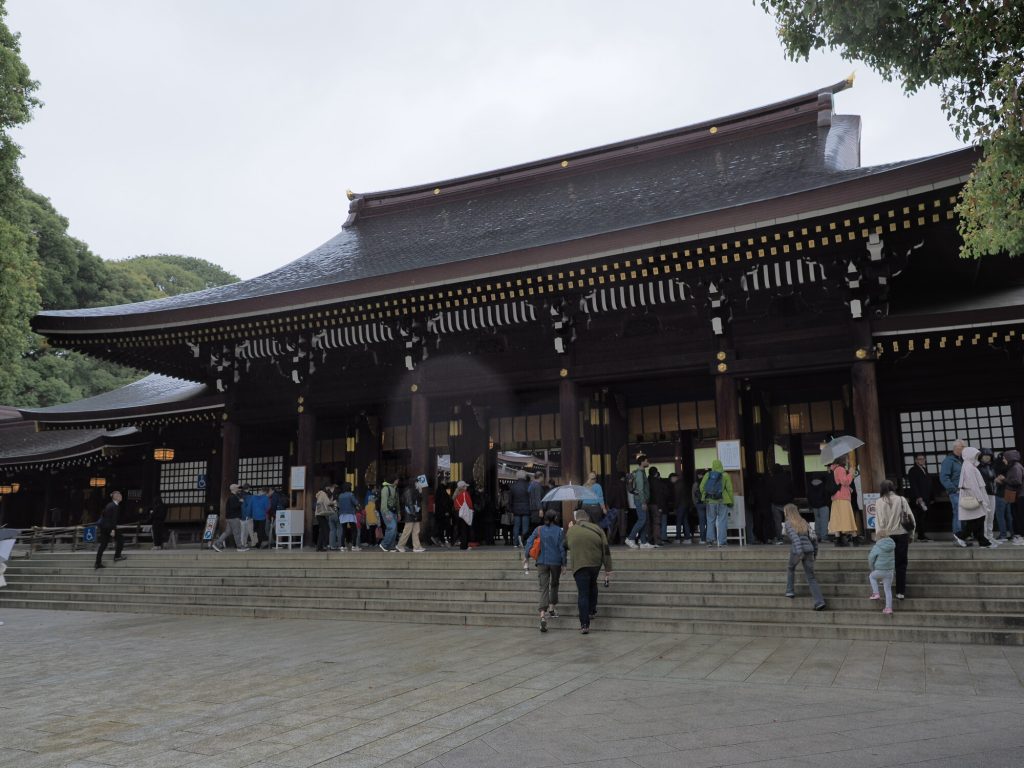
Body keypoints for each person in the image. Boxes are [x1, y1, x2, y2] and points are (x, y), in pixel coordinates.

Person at [565, 508, 613, 634]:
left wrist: (570, 529)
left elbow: (565, 545)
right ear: (587, 518)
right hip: (595, 564)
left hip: (579, 565)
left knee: (583, 594)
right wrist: (608, 568)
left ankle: (584, 624)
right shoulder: (597, 529)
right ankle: (592, 610)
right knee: (593, 584)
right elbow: (606, 549)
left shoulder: (572, 530)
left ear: (576, 519)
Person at [524, 509, 567, 632]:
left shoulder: (539, 529)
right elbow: (562, 548)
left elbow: (529, 542)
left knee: (543, 587)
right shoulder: (559, 531)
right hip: (556, 562)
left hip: (542, 561)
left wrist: (526, 556)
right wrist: (564, 564)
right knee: (554, 584)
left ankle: (542, 615)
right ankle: (552, 608)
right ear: (555, 519)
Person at [873, 480, 915, 601]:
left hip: (886, 535)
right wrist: (911, 535)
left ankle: (886, 586)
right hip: (901, 534)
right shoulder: (901, 499)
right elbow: (910, 517)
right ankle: (900, 591)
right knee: (901, 563)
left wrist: (878, 538)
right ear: (893, 488)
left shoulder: (879, 502)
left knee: (886, 562)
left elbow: (878, 521)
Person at [781, 503, 825, 610]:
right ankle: (819, 601)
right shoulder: (804, 522)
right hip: (809, 550)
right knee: (811, 577)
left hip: (797, 551)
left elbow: (795, 539)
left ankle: (790, 591)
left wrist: (800, 553)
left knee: (791, 568)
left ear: (787, 513)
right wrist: (815, 552)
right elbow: (814, 538)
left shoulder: (788, 523)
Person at [957, 446, 993, 548]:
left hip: (972, 495)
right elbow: (973, 484)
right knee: (977, 518)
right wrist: (980, 498)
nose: (977, 457)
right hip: (972, 495)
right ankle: (963, 535)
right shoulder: (969, 467)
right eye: (975, 455)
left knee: (976, 518)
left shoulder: (969, 465)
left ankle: (981, 540)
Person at [700, 459, 733, 548]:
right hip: (722, 500)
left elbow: (702, 486)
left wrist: (704, 496)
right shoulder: (725, 475)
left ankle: (710, 541)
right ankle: (722, 542)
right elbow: (729, 489)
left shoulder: (708, 475)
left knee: (710, 521)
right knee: (722, 521)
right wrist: (731, 501)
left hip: (710, 501)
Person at [827, 455, 858, 547]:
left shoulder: (834, 469)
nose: (848, 460)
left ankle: (838, 539)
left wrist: (848, 488)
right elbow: (844, 481)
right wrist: (851, 474)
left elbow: (840, 482)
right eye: (847, 459)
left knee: (837, 518)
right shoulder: (840, 469)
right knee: (847, 517)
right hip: (843, 497)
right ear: (843, 460)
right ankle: (855, 537)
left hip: (836, 497)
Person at [940, 439, 965, 546]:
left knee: (965, 514)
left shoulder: (963, 460)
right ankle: (958, 535)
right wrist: (954, 489)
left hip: (965, 492)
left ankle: (964, 535)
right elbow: (944, 477)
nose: (964, 448)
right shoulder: (948, 461)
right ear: (956, 448)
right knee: (958, 513)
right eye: (962, 446)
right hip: (956, 492)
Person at [625, 454, 652, 549]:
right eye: (647, 460)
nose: (648, 462)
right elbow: (640, 489)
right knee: (642, 520)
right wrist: (643, 502)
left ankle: (643, 541)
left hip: (641, 500)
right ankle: (630, 538)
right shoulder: (640, 473)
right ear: (642, 462)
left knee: (644, 520)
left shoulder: (641, 472)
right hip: (640, 500)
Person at [95, 490, 127, 569]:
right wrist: (112, 530)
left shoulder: (109, 505)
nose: (121, 497)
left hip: (104, 527)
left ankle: (97, 563)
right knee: (121, 539)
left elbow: (104, 516)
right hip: (109, 527)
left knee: (103, 545)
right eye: (120, 496)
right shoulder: (114, 506)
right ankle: (117, 556)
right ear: (115, 497)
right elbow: (113, 519)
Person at [212, 483, 246, 552]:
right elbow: (234, 507)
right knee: (237, 532)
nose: (238, 489)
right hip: (234, 518)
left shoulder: (233, 497)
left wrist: (240, 500)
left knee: (227, 532)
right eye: (237, 487)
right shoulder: (233, 497)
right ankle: (239, 547)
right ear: (234, 489)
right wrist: (240, 502)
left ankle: (217, 543)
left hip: (230, 518)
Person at [907, 454, 934, 541]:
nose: (922, 460)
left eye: (923, 459)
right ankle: (921, 536)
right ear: (916, 460)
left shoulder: (924, 469)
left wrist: (932, 497)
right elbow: (913, 485)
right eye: (920, 459)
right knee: (920, 516)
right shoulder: (913, 470)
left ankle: (922, 535)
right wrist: (918, 496)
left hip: (926, 496)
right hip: (919, 498)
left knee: (924, 516)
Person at [999, 450, 1024, 544]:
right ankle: (1019, 535)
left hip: (1019, 495)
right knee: (1016, 515)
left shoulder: (1015, 467)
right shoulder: (1014, 466)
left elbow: (1017, 481)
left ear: (1010, 458)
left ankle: (1021, 536)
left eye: (1004, 458)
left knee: (1019, 516)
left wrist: (1004, 479)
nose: (1003, 460)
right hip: (1017, 495)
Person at [868, 535, 897, 614]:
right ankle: (888, 608)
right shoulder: (892, 545)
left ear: (879, 538)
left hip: (880, 570)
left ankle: (876, 593)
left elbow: (871, 557)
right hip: (889, 571)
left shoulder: (877, 546)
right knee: (888, 590)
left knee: (871, 576)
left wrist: (872, 568)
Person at [396, 479, 425, 552]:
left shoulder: (415, 490)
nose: (419, 484)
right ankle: (400, 545)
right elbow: (409, 504)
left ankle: (417, 547)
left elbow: (419, 501)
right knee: (407, 531)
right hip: (410, 514)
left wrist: (420, 492)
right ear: (414, 483)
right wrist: (414, 514)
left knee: (416, 531)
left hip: (415, 514)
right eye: (418, 482)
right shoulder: (409, 491)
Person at [769, 464, 795, 544]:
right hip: (787, 502)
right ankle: (791, 537)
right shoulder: (787, 478)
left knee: (777, 522)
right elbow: (792, 489)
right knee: (789, 522)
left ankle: (779, 537)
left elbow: (770, 491)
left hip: (775, 503)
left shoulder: (772, 479)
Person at [978, 449, 999, 545]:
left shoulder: (992, 467)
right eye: (984, 455)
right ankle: (985, 537)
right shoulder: (977, 467)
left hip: (992, 493)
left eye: (989, 455)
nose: (987, 457)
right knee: (985, 516)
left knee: (991, 516)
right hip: (983, 493)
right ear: (980, 456)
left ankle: (990, 536)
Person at [806, 472, 830, 543]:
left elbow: (808, 496)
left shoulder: (810, 485)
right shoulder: (823, 485)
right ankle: (824, 537)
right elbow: (826, 495)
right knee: (824, 521)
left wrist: (810, 505)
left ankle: (817, 536)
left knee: (817, 521)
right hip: (823, 505)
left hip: (814, 506)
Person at [336, 482, 361, 552]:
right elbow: (356, 503)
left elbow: (338, 505)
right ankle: (354, 546)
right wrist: (359, 506)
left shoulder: (340, 495)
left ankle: (342, 546)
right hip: (350, 514)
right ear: (349, 487)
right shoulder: (350, 494)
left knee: (344, 530)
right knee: (354, 530)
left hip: (342, 514)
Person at [509, 470, 531, 547]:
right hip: (526, 508)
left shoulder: (513, 486)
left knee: (516, 526)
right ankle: (524, 542)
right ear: (525, 476)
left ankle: (515, 543)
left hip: (516, 509)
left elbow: (510, 500)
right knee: (525, 527)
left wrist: (511, 509)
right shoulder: (528, 485)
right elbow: (530, 498)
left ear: (517, 476)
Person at [649, 466, 670, 546]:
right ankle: (657, 540)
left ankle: (650, 539)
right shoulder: (657, 482)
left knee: (650, 523)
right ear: (656, 473)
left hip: (649, 504)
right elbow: (659, 495)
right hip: (657, 505)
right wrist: (660, 507)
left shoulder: (648, 481)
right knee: (657, 523)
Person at [378, 477, 400, 551]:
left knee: (393, 529)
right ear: (394, 480)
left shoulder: (395, 488)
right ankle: (384, 544)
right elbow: (383, 503)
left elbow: (397, 503)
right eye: (397, 479)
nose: (398, 480)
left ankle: (391, 546)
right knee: (392, 527)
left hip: (394, 511)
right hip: (386, 510)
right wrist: (386, 513)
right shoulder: (385, 489)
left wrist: (398, 513)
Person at [669, 472, 691, 544]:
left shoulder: (677, 485)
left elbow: (677, 497)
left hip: (680, 505)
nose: (671, 481)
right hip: (686, 505)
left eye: (671, 479)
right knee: (685, 521)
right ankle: (688, 538)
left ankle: (678, 538)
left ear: (674, 478)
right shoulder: (683, 483)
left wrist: (675, 507)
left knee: (678, 522)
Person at [314, 483, 336, 552]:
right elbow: (327, 503)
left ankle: (319, 547)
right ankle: (322, 546)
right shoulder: (323, 494)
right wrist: (334, 502)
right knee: (326, 530)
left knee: (322, 531)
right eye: (328, 488)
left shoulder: (319, 494)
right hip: (321, 514)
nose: (329, 490)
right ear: (325, 488)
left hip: (319, 514)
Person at [453, 480, 473, 551]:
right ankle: (464, 546)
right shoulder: (465, 493)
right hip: (464, 513)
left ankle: (462, 545)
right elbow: (469, 503)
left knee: (461, 530)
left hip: (458, 513)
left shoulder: (456, 494)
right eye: (465, 486)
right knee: (465, 529)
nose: (466, 488)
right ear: (463, 487)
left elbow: (455, 505)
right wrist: (471, 510)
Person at [692, 469, 707, 543]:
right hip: (707, 504)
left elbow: (693, 495)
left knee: (701, 522)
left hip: (699, 504)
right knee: (709, 522)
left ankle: (702, 539)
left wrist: (695, 504)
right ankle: (710, 538)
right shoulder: (707, 483)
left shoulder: (696, 484)